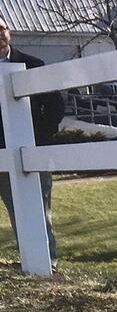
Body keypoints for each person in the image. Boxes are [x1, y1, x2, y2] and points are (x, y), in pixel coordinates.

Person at [0, 14, 66, 264]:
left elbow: (55, 108)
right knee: (16, 211)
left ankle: (48, 263)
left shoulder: (33, 65)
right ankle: (30, 261)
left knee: (39, 210)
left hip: (33, 152)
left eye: (2, 29)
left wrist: (35, 139)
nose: (0, 35)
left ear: (10, 32)